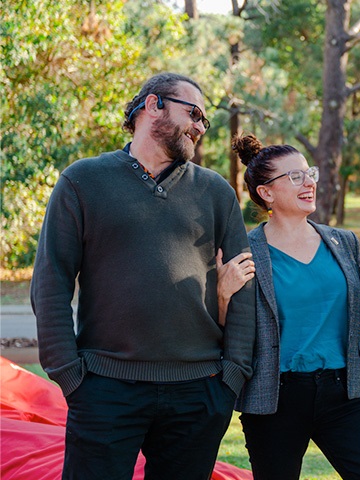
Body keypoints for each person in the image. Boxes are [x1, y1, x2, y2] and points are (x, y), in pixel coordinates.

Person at [30, 72, 255, 479]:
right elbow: (50, 282)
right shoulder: (82, 181)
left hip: (199, 389)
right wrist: (68, 374)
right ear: (153, 105)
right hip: (104, 388)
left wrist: (232, 376)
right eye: (195, 113)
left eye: (205, 121)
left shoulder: (216, 191)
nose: (201, 127)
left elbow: (245, 282)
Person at [221, 134, 360, 480]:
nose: (309, 183)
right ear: (266, 192)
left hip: (342, 394)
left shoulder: (343, 242)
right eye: (294, 176)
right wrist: (222, 294)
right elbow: (227, 331)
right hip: (274, 399)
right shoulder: (244, 251)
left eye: (309, 173)